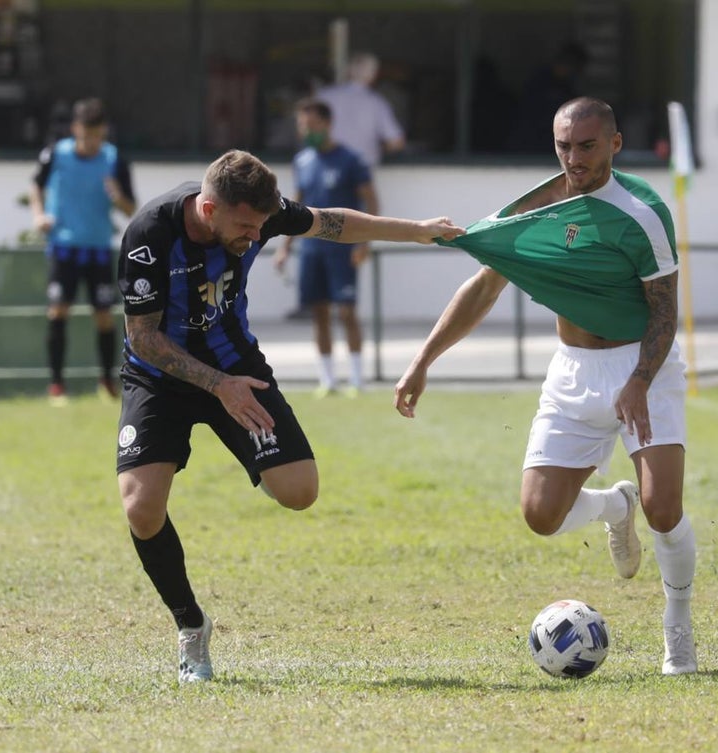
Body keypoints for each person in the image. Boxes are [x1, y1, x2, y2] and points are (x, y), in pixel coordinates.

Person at [114, 149, 462, 683]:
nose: (257, 236)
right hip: (160, 376)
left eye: (262, 225)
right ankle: (191, 624)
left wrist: (415, 231)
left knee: (300, 491)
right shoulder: (149, 235)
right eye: (246, 228)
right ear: (209, 210)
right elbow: (143, 338)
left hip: (236, 366)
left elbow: (333, 223)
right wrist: (218, 388)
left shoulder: (263, 212)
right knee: (141, 509)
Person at [394, 97, 697, 676]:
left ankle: (676, 627)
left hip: (643, 366)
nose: (573, 158)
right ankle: (615, 506)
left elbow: (664, 311)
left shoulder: (643, 213)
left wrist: (639, 381)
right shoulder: (539, 209)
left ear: (614, 144)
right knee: (540, 515)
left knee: (663, 509)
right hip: (573, 372)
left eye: (587, 146)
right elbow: (484, 286)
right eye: (563, 146)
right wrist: (423, 360)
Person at [30, 97, 136, 405]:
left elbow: (130, 208)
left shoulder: (114, 160)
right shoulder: (56, 154)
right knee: (57, 311)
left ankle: (107, 383)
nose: (92, 142)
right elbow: (36, 185)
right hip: (64, 247)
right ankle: (56, 386)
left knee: (104, 316)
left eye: (98, 135)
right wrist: (39, 215)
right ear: (76, 128)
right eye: (87, 134)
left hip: (98, 248)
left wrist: (117, 196)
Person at [273, 100, 378, 397]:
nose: (306, 131)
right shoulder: (302, 161)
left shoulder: (351, 160)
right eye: (302, 126)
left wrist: (364, 242)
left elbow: (371, 201)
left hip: (342, 249)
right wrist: (285, 246)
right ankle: (327, 380)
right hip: (311, 250)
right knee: (318, 312)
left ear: (327, 123)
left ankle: (356, 379)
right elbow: (295, 205)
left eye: (311, 125)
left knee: (346, 311)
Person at [316, 52, 405, 168]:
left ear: (348, 71)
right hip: (361, 168)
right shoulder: (377, 103)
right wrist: (374, 148)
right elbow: (396, 142)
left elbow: (306, 134)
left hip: (325, 165)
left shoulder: (323, 96)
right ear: (373, 75)